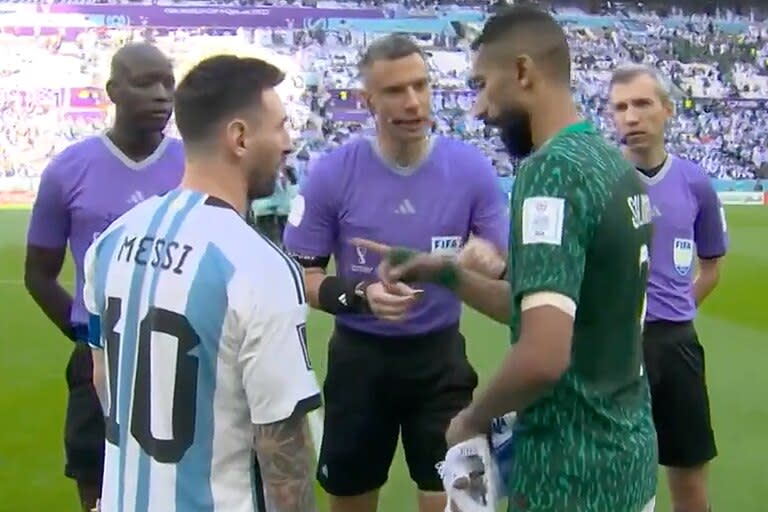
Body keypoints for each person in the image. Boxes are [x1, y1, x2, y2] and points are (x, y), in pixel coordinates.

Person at [354, 6, 658, 512]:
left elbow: (542, 355)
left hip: (568, 476)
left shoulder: (551, 173)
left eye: (482, 85)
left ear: (521, 72)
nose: (479, 110)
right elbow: (550, 313)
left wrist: (471, 420)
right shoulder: (613, 165)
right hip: (626, 461)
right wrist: (444, 270)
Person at [83, 55, 320, 512]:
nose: (288, 144)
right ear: (240, 137)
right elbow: (282, 451)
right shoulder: (259, 267)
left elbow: (102, 378)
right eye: (281, 127)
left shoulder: (113, 241)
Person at [282, 34, 508, 512]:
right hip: (360, 364)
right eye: (394, 91)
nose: (412, 102)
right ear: (368, 101)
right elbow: (301, 275)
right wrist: (360, 295)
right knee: (350, 500)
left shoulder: (471, 170)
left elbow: (504, 264)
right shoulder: (331, 173)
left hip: (442, 361)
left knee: (469, 502)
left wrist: (490, 260)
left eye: (420, 86)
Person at [24, 42, 184, 512]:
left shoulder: (194, 166)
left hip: (180, 360)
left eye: (168, 84)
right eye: (145, 83)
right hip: (99, 366)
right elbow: (38, 275)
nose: (161, 95)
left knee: (179, 494)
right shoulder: (67, 170)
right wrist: (87, 335)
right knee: (98, 494)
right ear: (113, 91)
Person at [609, 64, 727, 512]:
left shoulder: (695, 182)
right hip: (612, 349)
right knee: (612, 483)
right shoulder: (599, 179)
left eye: (642, 103)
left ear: (668, 110)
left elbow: (712, 266)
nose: (631, 116)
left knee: (690, 482)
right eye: (620, 107)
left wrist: (677, 309)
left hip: (675, 345)